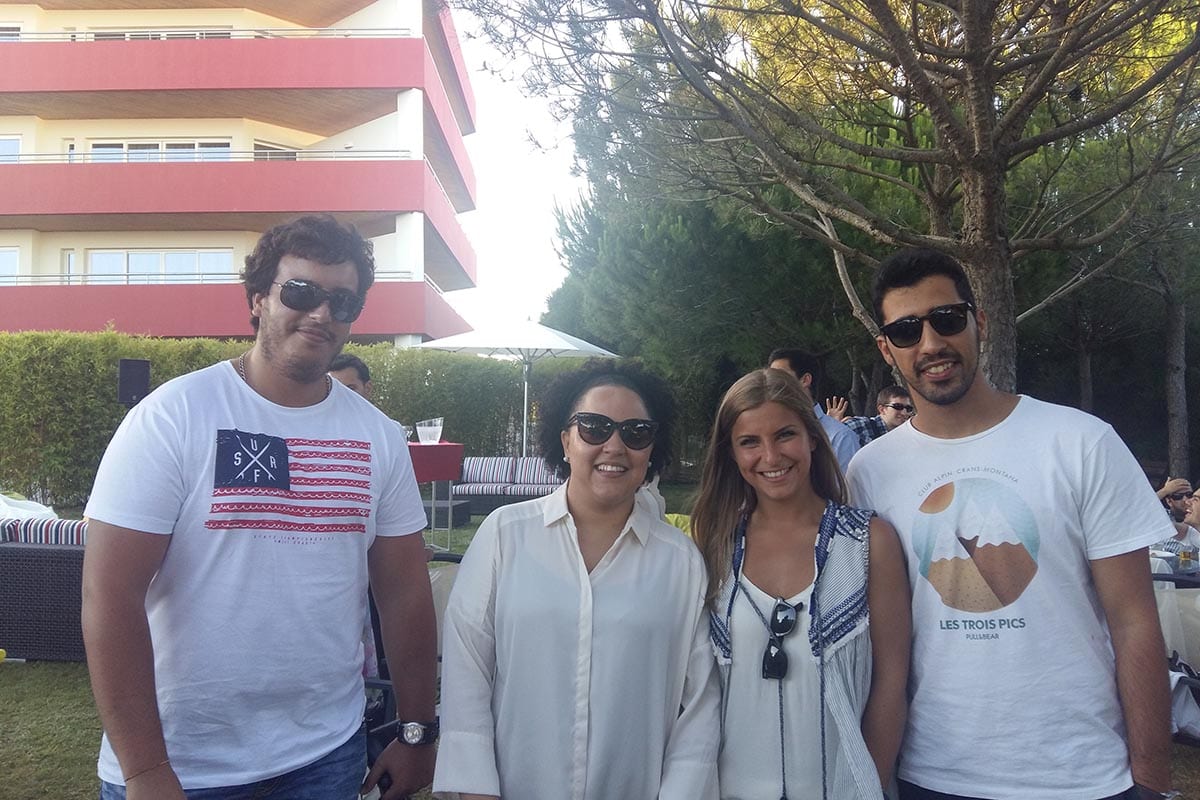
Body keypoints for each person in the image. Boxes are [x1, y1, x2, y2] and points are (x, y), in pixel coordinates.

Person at [82, 215, 437, 800]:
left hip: (325, 753)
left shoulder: (378, 436)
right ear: (258, 300)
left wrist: (417, 729)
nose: (321, 313)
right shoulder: (173, 416)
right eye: (300, 292)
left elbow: (403, 591)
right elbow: (109, 595)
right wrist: (144, 771)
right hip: (184, 765)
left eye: (342, 301)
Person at [846, 247, 1176, 800]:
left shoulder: (1080, 443)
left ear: (980, 321)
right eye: (906, 330)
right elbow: (881, 645)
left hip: (1083, 776)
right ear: (886, 348)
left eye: (946, 319)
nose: (930, 343)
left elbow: (1135, 621)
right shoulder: (868, 472)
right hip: (932, 776)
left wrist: (1151, 779)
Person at [433, 360, 720, 800]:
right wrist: (475, 788)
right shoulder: (505, 534)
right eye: (594, 427)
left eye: (636, 432)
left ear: (652, 449)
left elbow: (699, 703)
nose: (614, 446)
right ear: (566, 440)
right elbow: (466, 665)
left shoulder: (680, 562)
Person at [690, 368, 911, 800]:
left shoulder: (869, 542)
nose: (771, 456)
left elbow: (891, 684)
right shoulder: (713, 545)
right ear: (731, 453)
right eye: (749, 442)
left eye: (785, 434)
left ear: (812, 436)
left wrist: (865, 788)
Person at [766, 348, 860, 472]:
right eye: (771, 376)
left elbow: (847, 484)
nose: (772, 383)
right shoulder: (765, 433)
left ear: (805, 380)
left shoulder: (839, 437)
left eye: (780, 375)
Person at [841, 385, 915, 447]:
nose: (904, 413)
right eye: (898, 407)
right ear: (882, 409)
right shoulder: (860, 426)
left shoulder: (910, 436)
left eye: (908, 408)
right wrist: (836, 426)